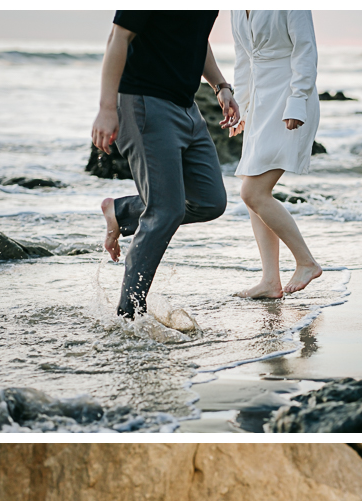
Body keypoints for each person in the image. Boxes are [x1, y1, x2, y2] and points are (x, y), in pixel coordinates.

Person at [91, 12, 240, 319]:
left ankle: (122, 212)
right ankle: (129, 316)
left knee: (210, 201)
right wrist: (107, 108)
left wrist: (220, 85)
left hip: (188, 108)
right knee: (165, 211)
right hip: (144, 101)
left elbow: (197, 39)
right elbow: (118, 38)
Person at [230, 11, 323, 299]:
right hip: (260, 104)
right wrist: (241, 108)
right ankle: (271, 281)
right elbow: (243, 58)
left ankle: (306, 262)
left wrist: (297, 100)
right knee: (253, 195)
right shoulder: (235, 8)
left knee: (253, 191)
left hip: (288, 99)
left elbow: (306, 49)